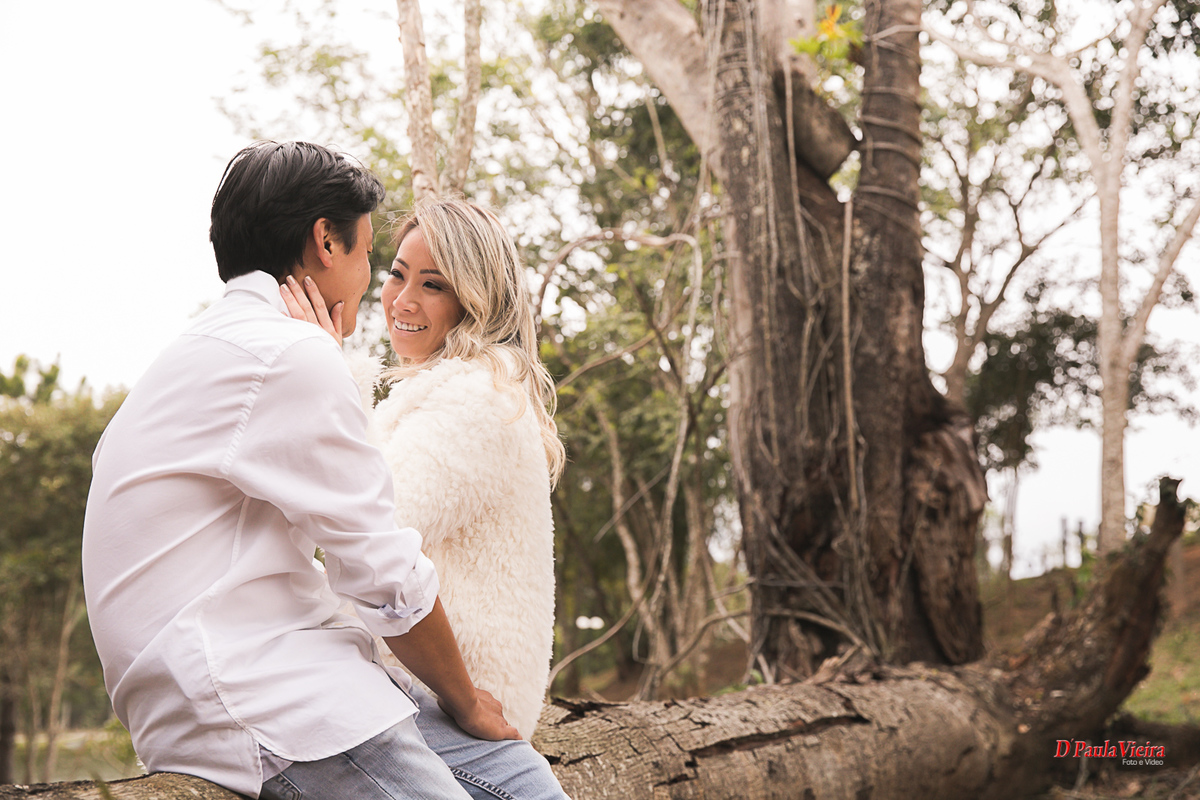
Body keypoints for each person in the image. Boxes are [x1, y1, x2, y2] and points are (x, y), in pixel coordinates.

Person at [81, 141, 569, 800]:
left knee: (521, 781)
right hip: (250, 686)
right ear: (325, 243)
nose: (378, 284)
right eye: (374, 257)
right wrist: (468, 700)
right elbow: (382, 570)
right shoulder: (292, 356)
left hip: (292, 659)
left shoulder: (214, 345)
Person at [283, 198, 565, 741]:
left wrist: (324, 369)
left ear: (475, 300)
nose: (402, 300)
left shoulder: (477, 397)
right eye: (397, 275)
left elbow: (366, 527)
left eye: (433, 285)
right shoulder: (442, 393)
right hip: (427, 699)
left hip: (454, 715)